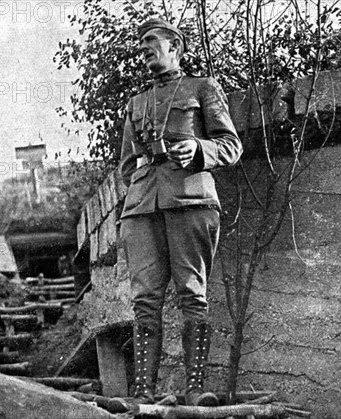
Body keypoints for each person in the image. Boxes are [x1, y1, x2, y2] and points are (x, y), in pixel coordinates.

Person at [119, 18, 243, 406]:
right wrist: (140, 166)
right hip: (141, 208)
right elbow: (124, 166)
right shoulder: (135, 104)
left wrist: (200, 151)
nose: (146, 50)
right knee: (144, 301)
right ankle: (142, 391)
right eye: (142, 45)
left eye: (152, 42)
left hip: (191, 201)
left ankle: (195, 390)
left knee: (193, 296)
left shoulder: (203, 88)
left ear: (176, 46)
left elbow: (231, 145)